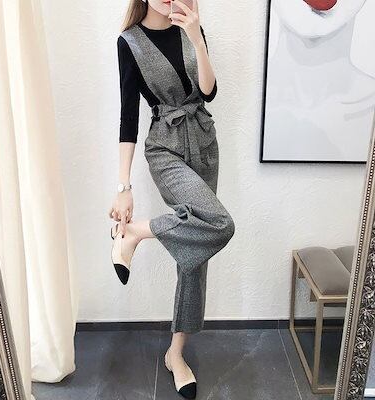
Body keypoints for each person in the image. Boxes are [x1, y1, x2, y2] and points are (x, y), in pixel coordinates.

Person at [109, 0, 235, 398]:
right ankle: (133, 233)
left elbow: (209, 92)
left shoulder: (191, 28)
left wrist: (196, 37)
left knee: (195, 253)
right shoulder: (130, 42)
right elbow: (128, 117)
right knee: (219, 224)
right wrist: (124, 186)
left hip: (204, 142)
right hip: (166, 148)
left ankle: (175, 354)